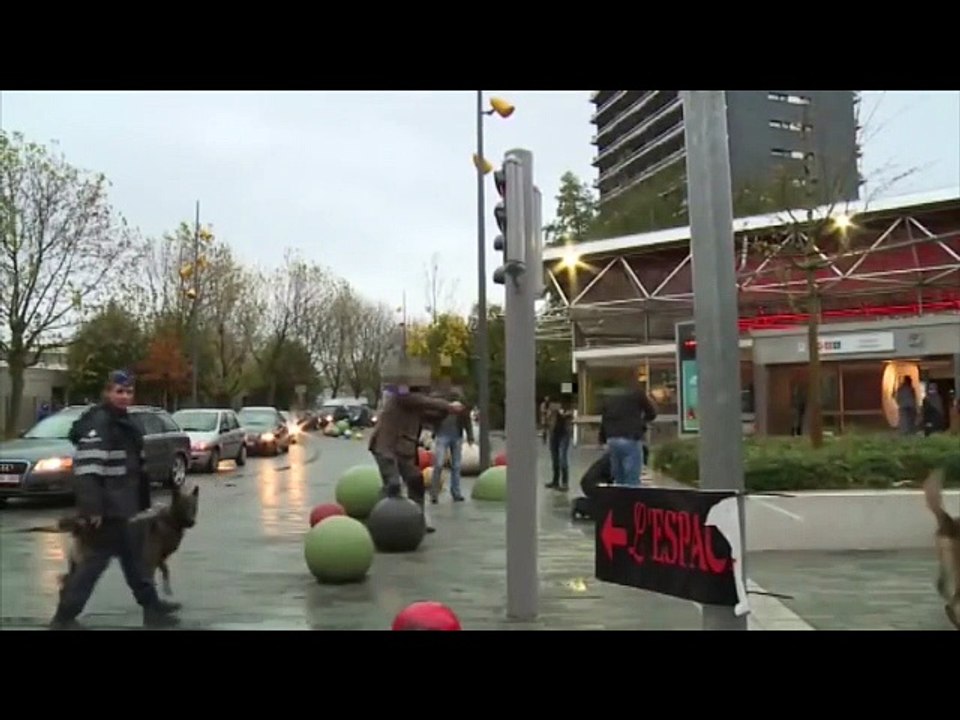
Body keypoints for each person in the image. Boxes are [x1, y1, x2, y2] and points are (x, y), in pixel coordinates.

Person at [50, 370, 181, 630]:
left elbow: (133, 470)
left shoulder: (124, 423)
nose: (124, 397)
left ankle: (153, 609)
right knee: (90, 569)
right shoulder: (101, 424)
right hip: (108, 514)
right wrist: (93, 509)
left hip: (126, 510)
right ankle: (64, 617)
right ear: (107, 393)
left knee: (137, 565)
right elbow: (88, 472)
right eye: (119, 391)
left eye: (129, 392)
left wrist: (142, 505)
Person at [369, 359, 465, 533]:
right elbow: (420, 401)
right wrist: (448, 406)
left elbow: (430, 416)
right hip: (385, 447)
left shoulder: (417, 403)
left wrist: (446, 410)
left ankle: (418, 519)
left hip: (403, 450)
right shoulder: (401, 394)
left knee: (416, 481)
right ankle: (380, 521)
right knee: (392, 484)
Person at [599, 380, 658, 487]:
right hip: (631, 437)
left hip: (612, 439)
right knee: (632, 480)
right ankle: (630, 495)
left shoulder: (610, 396)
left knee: (618, 478)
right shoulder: (637, 393)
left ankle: (619, 495)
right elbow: (652, 413)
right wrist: (641, 423)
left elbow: (604, 419)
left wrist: (602, 439)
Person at [429, 377, 474, 504]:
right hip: (442, 435)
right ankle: (434, 493)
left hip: (456, 436)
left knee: (456, 466)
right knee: (439, 464)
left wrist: (470, 436)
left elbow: (467, 421)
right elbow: (434, 417)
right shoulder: (442, 404)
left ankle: (456, 492)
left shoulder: (462, 406)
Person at [546, 397, 574, 491]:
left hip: (564, 435)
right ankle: (555, 481)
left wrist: (561, 412)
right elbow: (549, 421)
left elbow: (569, 416)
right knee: (555, 459)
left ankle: (565, 483)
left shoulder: (568, 409)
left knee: (562, 458)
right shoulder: (552, 411)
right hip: (554, 434)